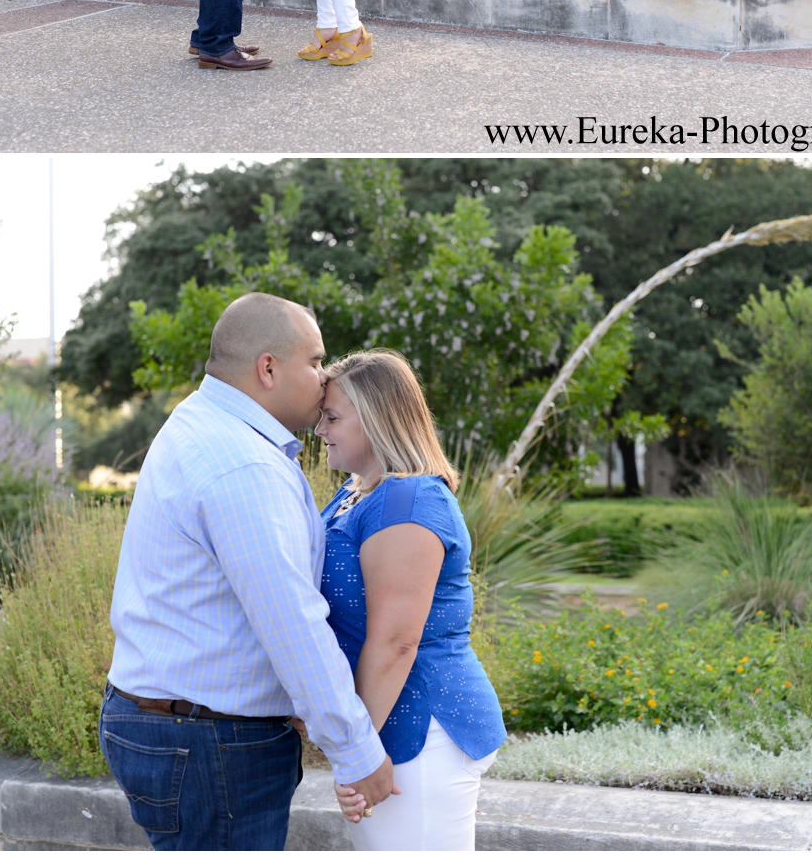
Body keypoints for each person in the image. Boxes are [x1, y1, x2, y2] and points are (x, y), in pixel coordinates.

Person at [99, 294, 396, 851]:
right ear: (267, 368)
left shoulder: (200, 420)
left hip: (175, 724)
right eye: (314, 361)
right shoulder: (244, 463)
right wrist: (356, 751)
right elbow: (291, 621)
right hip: (209, 742)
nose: (326, 377)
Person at [314, 350, 507, 850]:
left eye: (332, 418)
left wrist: (357, 751)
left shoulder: (408, 501)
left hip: (423, 730)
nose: (320, 430)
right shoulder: (356, 492)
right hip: (387, 726)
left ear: (377, 419)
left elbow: (397, 642)